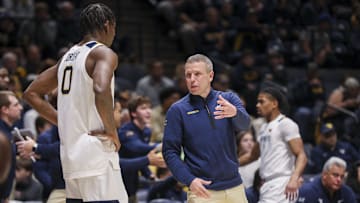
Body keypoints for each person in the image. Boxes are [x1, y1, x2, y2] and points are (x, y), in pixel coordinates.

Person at [22, 3, 128, 202]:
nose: (114, 34)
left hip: (71, 157)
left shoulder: (67, 58)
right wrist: (112, 130)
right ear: (107, 25)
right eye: (114, 28)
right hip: (97, 153)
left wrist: (64, 122)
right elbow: (100, 88)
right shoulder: (103, 53)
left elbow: (31, 93)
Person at [162, 54, 251, 203]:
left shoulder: (228, 99)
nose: (192, 79)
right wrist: (189, 180)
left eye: (197, 74)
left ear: (210, 76)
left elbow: (245, 124)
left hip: (235, 187)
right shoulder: (177, 110)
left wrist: (235, 113)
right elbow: (169, 152)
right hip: (202, 191)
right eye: (188, 75)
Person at [240, 87, 307, 203]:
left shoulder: (286, 124)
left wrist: (294, 178)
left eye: (262, 101)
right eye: (257, 102)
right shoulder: (264, 128)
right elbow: (253, 156)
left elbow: (301, 155)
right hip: (267, 185)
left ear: (274, 103)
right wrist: (230, 165)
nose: (257, 105)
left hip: (282, 184)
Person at [0, 90, 23, 202]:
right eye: (15, 105)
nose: (20, 108)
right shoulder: (1, 135)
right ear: (5, 110)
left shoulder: (9, 132)